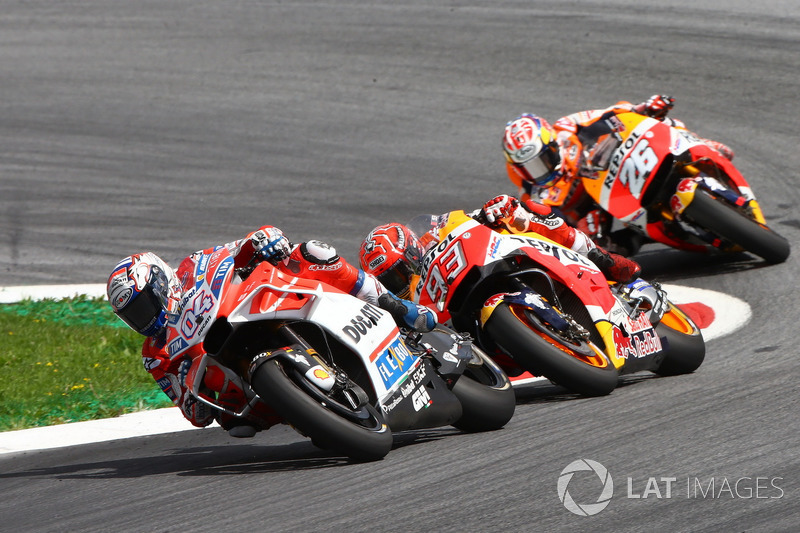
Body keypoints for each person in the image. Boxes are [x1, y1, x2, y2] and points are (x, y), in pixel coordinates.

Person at [107, 226, 437, 438]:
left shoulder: (193, 266)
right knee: (238, 427)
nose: (144, 319)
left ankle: (387, 302)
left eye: (144, 306)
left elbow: (241, 246)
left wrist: (264, 240)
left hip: (250, 311)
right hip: (242, 384)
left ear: (161, 284)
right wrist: (190, 392)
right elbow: (193, 414)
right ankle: (310, 408)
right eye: (133, 316)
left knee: (311, 252)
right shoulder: (154, 355)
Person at [501, 95, 735, 255]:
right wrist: (582, 230)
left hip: (616, 165)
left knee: (660, 120)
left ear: (551, 145)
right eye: (526, 168)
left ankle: (697, 144)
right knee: (607, 249)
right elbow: (555, 231)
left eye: (540, 162)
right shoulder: (533, 196)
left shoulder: (566, 126)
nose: (536, 173)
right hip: (604, 211)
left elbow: (614, 113)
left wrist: (646, 108)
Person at [359, 194, 641, 303]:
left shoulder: (433, 233)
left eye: (397, 274)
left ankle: (601, 258)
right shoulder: (406, 304)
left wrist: (493, 209)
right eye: (388, 282)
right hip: (454, 311)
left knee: (529, 212)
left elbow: (463, 222)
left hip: (484, 264)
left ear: (410, 253)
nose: (398, 284)